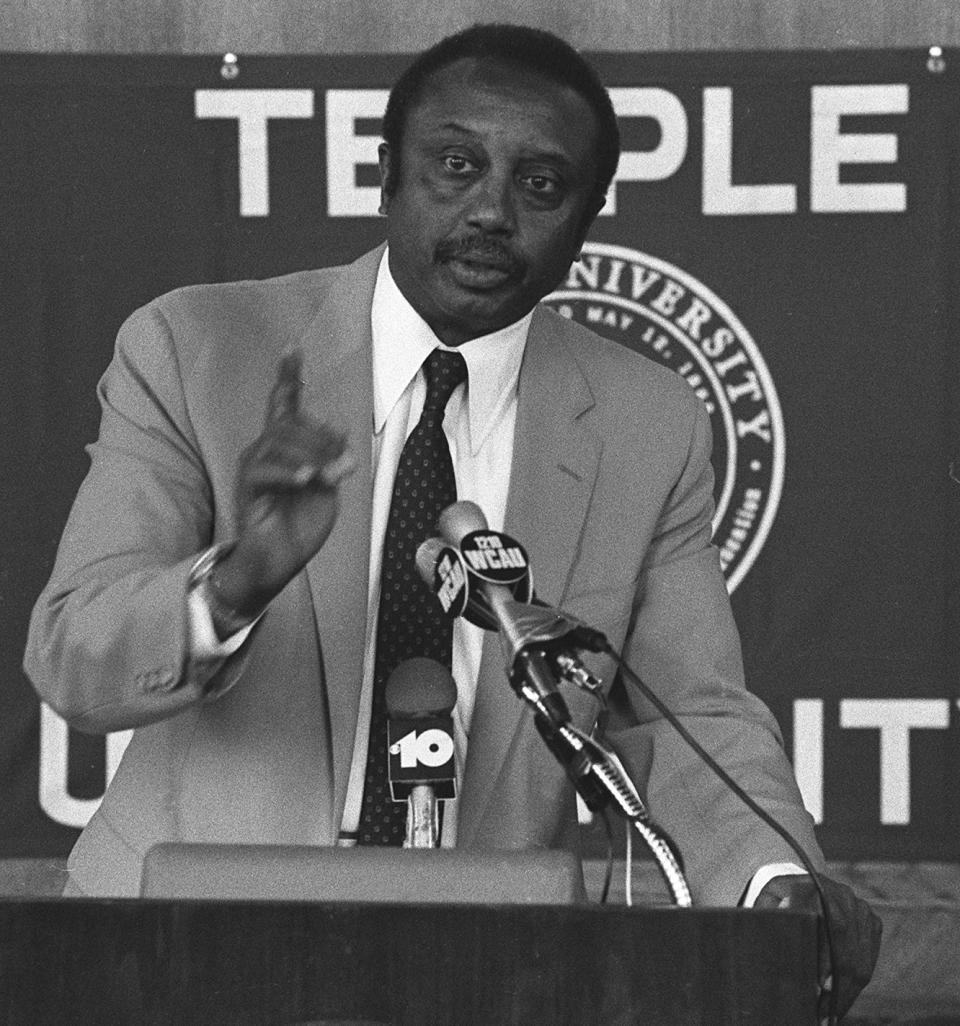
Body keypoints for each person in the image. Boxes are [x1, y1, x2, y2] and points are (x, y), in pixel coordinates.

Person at [25, 23, 880, 1019]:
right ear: (388, 177)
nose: (490, 210)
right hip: (179, 944)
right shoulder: (197, 351)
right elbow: (74, 659)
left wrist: (778, 888)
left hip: (486, 964)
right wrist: (241, 575)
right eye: (457, 164)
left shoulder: (651, 424)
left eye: (542, 185)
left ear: (589, 218)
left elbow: (694, 721)